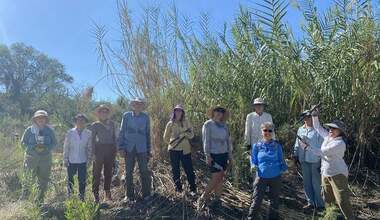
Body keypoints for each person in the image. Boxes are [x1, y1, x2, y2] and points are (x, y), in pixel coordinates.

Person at [300, 108, 354, 219]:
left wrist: (306, 147)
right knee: (328, 199)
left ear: (340, 132)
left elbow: (322, 152)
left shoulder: (339, 143)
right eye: (330, 128)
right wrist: (315, 115)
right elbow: (318, 128)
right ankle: (331, 216)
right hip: (326, 173)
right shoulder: (328, 137)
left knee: (342, 200)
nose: (330, 130)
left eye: (334, 128)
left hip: (337, 174)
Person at [248, 122, 287, 220]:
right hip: (261, 176)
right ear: (262, 131)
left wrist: (284, 167)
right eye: (265, 130)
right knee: (256, 200)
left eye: (270, 130)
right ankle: (251, 218)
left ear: (273, 132)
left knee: (274, 201)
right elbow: (254, 161)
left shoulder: (277, 146)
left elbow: (281, 159)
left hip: (275, 176)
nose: (267, 132)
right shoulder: (256, 146)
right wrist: (253, 166)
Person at [198, 106, 233, 209]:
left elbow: (228, 141)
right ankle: (204, 196)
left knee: (220, 177)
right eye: (217, 110)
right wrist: (207, 155)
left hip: (224, 154)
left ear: (223, 114)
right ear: (213, 112)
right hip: (214, 155)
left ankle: (217, 199)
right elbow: (206, 141)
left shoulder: (225, 126)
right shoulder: (208, 124)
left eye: (221, 111)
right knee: (216, 177)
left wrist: (230, 156)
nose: (219, 113)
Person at [118, 98, 152, 203]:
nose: (138, 105)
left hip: (142, 148)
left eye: (140, 104)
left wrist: (148, 150)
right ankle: (129, 196)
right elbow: (122, 131)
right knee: (128, 172)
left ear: (142, 106)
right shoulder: (126, 116)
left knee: (144, 171)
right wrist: (121, 147)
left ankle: (146, 195)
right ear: (133, 105)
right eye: (136, 104)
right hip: (129, 147)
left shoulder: (146, 117)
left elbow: (147, 134)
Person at [20, 110, 57, 202]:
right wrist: (32, 148)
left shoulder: (50, 130)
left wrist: (47, 148)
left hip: (45, 158)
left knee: (43, 180)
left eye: (43, 117)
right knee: (28, 179)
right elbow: (23, 143)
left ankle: (40, 201)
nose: (41, 119)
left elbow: (55, 143)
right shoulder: (29, 130)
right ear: (35, 119)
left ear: (46, 119)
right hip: (31, 158)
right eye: (38, 118)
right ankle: (24, 201)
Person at [293, 110, 324, 211]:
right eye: (304, 117)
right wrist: (295, 155)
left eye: (308, 117)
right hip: (303, 159)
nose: (306, 119)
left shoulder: (318, 130)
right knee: (306, 182)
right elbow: (297, 143)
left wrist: (322, 161)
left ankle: (319, 204)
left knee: (316, 182)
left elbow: (322, 147)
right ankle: (310, 202)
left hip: (315, 160)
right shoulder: (300, 129)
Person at [163, 104, 197, 195]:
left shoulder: (187, 122)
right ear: (174, 112)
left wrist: (185, 135)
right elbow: (165, 138)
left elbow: (192, 135)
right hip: (173, 150)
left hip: (185, 149)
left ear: (182, 112)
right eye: (176, 110)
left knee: (189, 169)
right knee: (175, 169)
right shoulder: (170, 123)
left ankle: (193, 188)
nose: (178, 112)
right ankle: (178, 188)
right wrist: (171, 144)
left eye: (180, 110)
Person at [90, 104, 117, 203]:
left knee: (108, 172)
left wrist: (115, 150)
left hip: (110, 149)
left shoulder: (112, 124)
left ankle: (107, 194)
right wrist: (92, 153)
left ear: (108, 113)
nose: (104, 113)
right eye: (102, 111)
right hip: (99, 149)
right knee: (96, 173)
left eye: (106, 111)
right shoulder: (95, 125)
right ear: (98, 113)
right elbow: (92, 140)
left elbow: (114, 138)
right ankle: (95, 194)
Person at [63, 114, 92, 201]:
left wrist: (89, 159)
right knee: (70, 179)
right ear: (75, 122)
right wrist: (65, 158)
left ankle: (81, 197)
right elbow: (66, 146)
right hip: (71, 160)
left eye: (82, 120)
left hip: (83, 160)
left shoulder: (88, 133)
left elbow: (89, 147)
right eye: (78, 120)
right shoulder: (70, 133)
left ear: (85, 122)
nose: (80, 122)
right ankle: (70, 197)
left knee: (82, 180)